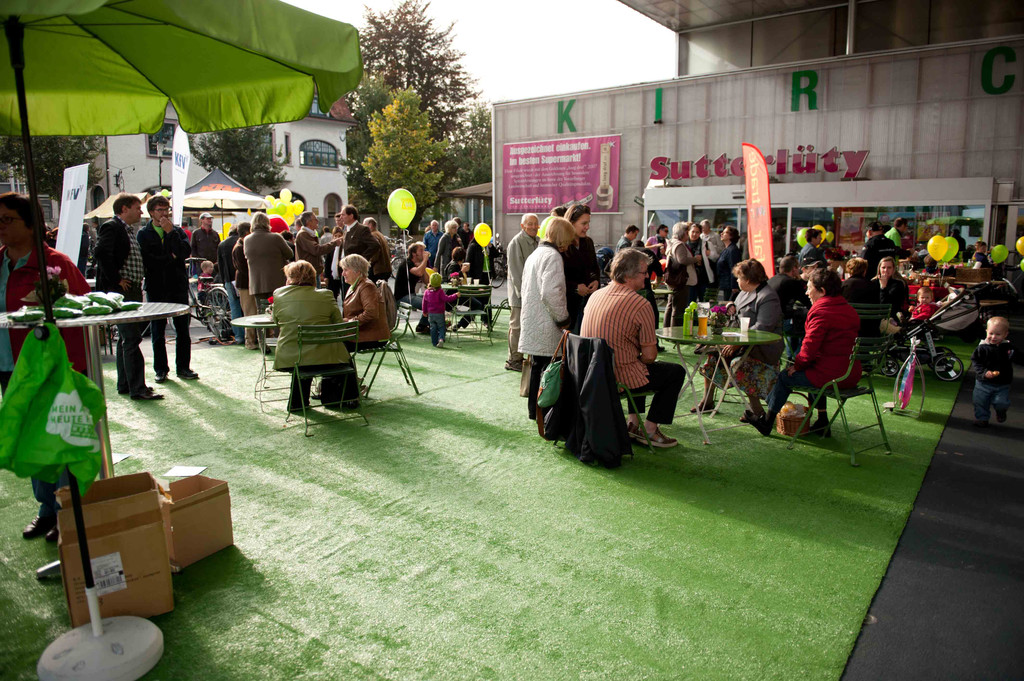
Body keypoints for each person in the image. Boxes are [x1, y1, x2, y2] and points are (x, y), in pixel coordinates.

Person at [1, 192, 91, 542]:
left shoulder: (55, 264)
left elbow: (82, 311)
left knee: (60, 438)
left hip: (50, 367)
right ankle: (47, 509)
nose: (1, 226)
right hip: (10, 368)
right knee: (31, 440)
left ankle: (68, 509)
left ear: (30, 224)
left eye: (7, 219)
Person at [581, 249, 685, 448]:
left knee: (636, 365)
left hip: (590, 373)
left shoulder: (595, 296)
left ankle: (633, 423)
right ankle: (651, 429)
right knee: (673, 372)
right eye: (644, 272)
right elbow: (650, 356)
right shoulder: (640, 304)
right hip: (617, 377)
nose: (648, 276)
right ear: (628, 275)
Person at [747, 267, 862, 437]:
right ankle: (822, 420)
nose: (807, 293)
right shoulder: (849, 310)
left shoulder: (821, 312)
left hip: (832, 376)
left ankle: (767, 422)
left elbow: (809, 348)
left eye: (809, 288)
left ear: (822, 291)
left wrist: (798, 366)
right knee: (811, 370)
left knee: (786, 376)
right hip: (851, 374)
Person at [696, 259, 783, 421]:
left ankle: (756, 410)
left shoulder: (768, 297)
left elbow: (762, 329)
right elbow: (738, 308)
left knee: (739, 364)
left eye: (739, 278)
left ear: (748, 280)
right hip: (742, 344)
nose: (737, 281)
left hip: (762, 350)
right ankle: (707, 400)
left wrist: (737, 344)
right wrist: (731, 305)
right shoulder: (745, 292)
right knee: (713, 356)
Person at [95, 193, 162, 400]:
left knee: (126, 339)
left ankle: (125, 384)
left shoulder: (125, 229)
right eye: (137, 208)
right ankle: (137, 388)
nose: (141, 212)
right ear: (124, 209)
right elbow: (101, 253)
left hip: (130, 289)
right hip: (123, 290)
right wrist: (117, 280)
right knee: (131, 338)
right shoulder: (113, 227)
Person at [136, 195, 199, 383]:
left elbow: (184, 252)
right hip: (156, 286)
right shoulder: (144, 233)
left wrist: (170, 233)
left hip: (177, 285)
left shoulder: (177, 231)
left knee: (182, 329)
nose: (164, 214)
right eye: (160, 210)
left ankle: (183, 367)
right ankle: (161, 369)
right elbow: (148, 260)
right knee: (158, 330)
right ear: (151, 212)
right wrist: (170, 257)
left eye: (166, 210)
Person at [270, 260, 349, 411]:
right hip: (327, 357)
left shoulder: (279, 294)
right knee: (334, 352)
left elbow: (277, 322)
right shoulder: (326, 295)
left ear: (290, 278)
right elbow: (338, 324)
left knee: (303, 355)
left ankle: (297, 403)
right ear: (313, 277)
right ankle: (336, 398)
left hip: (290, 356)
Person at [519, 217, 574, 422]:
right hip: (547, 322)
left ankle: (534, 411)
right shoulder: (553, 256)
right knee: (550, 371)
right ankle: (546, 413)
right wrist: (563, 319)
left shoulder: (535, 254)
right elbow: (551, 292)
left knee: (537, 368)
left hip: (533, 319)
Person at [970, 316, 1023, 427]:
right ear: (986, 331)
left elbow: (1019, 358)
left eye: (998, 334)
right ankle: (982, 418)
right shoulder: (982, 347)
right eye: (991, 333)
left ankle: (1001, 411)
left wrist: (1015, 356)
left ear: (1005, 334)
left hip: (1002, 383)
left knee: (1001, 402)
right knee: (980, 401)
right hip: (983, 382)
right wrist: (984, 372)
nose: (993, 337)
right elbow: (976, 361)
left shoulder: (1008, 348)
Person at [505, 213, 539, 371]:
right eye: (529, 224)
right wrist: (524, 295)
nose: (533, 227)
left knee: (529, 326)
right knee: (517, 326)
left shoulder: (538, 241)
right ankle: (513, 360)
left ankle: (523, 357)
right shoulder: (516, 242)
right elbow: (516, 272)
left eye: (535, 224)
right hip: (520, 294)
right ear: (522, 226)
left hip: (533, 293)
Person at [339, 253, 390, 353]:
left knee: (333, 344)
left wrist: (349, 322)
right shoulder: (356, 285)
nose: (343, 274)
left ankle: (346, 363)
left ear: (357, 271)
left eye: (346, 270)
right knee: (331, 342)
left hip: (371, 337)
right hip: (361, 333)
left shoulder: (366, 286)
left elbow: (371, 313)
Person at [561, 204, 600, 333]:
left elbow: (594, 268)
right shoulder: (561, 245)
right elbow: (556, 278)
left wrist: (596, 281)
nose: (587, 227)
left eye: (588, 223)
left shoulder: (588, 243)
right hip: (568, 307)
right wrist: (575, 287)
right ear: (571, 223)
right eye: (583, 223)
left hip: (587, 305)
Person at [244, 212, 293, 303]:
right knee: (278, 308)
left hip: (256, 284)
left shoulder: (247, 240)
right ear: (267, 223)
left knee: (261, 309)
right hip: (276, 282)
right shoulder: (276, 237)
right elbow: (290, 254)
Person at [768, 255, 811, 356]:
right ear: (794, 269)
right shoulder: (791, 282)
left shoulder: (772, 279)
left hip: (770, 321)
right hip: (780, 322)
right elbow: (807, 301)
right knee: (810, 329)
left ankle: (791, 357)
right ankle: (797, 356)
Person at [663, 222, 697, 326]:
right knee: (678, 308)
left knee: (671, 305)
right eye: (687, 232)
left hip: (673, 279)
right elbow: (682, 260)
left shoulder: (671, 243)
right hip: (681, 280)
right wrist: (695, 259)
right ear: (683, 233)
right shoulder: (679, 244)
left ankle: (666, 329)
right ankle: (674, 331)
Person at [231, 222, 259, 350]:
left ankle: (253, 340)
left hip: (249, 283)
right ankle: (250, 341)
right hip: (245, 284)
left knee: (253, 312)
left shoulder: (243, 245)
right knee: (250, 313)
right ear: (247, 232)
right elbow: (244, 268)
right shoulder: (239, 248)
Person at [393, 241, 431, 334]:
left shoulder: (416, 264)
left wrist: (423, 265)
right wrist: (425, 260)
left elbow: (427, 281)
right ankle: (422, 326)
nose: (423, 252)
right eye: (421, 251)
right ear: (414, 253)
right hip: (403, 297)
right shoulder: (407, 263)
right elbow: (418, 272)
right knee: (429, 305)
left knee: (432, 299)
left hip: (411, 294)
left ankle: (423, 325)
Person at [294, 211, 341, 284]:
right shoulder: (303, 234)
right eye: (315, 219)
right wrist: (334, 243)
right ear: (308, 222)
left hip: (312, 272)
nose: (317, 221)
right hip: (308, 274)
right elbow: (316, 250)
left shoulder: (309, 233)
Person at [217, 224, 244, 345]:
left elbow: (220, 265)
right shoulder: (242, 242)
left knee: (234, 307)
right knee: (246, 306)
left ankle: (238, 336)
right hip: (241, 278)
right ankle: (249, 334)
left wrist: (224, 281)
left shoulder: (222, 244)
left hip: (228, 279)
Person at [840, 257, 878, 338]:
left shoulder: (843, 286)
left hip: (847, 330)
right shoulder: (873, 286)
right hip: (870, 331)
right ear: (864, 271)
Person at [422, 272, 458, 348]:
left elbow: (424, 303)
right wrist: (455, 295)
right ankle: (441, 339)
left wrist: (424, 311)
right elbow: (446, 299)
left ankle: (434, 342)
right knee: (441, 327)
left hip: (431, 314)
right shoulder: (440, 292)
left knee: (433, 328)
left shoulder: (427, 292)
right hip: (439, 313)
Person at [872, 256, 907, 332]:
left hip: (892, 314)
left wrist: (883, 287)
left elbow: (886, 305)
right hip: (875, 315)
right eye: (883, 267)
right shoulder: (873, 282)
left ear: (893, 269)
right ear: (879, 268)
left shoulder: (898, 284)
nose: (886, 270)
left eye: (889, 268)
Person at [685, 222, 711, 303]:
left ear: (700, 233)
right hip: (689, 277)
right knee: (690, 302)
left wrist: (709, 255)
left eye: (697, 232)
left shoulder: (705, 243)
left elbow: (714, 257)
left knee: (704, 303)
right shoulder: (684, 244)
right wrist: (694, 259)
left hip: (702, 276)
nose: (694, 234)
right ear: (688, 232)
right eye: (693, 231)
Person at [716, 225, 742, 301]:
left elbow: (734, 268)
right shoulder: (726, 249)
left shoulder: (732, 250)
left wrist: (734, 286)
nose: (721, 234)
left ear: (731, 236)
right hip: (725, 285)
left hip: (730, 287)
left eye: (725, 232)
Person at [363, 217, 393, 283]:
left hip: (377, 270)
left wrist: (369, 262)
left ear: (370, 225)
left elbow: (375, 252)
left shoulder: (373, 235)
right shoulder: (380, 235)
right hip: (385, 268)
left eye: (364, 225)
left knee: (374, 287)